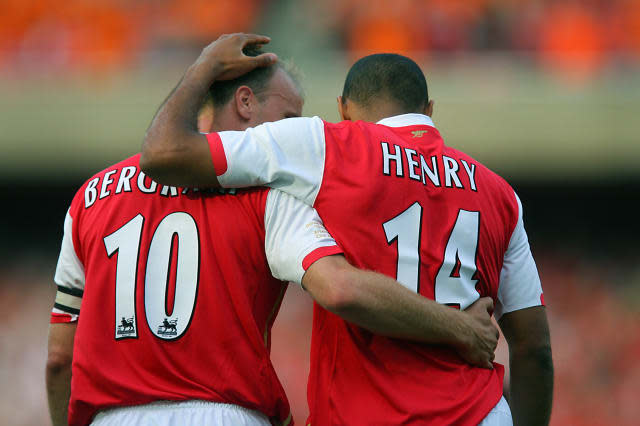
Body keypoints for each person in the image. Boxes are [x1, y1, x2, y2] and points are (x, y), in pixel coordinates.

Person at [46, 35, 500, 426]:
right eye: (288, 119)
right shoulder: (271, 198)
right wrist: (459, 327)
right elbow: (340, 287)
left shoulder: (91, 196)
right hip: (226, 411)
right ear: (244, 102)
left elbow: (59, 358)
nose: (291, 136)